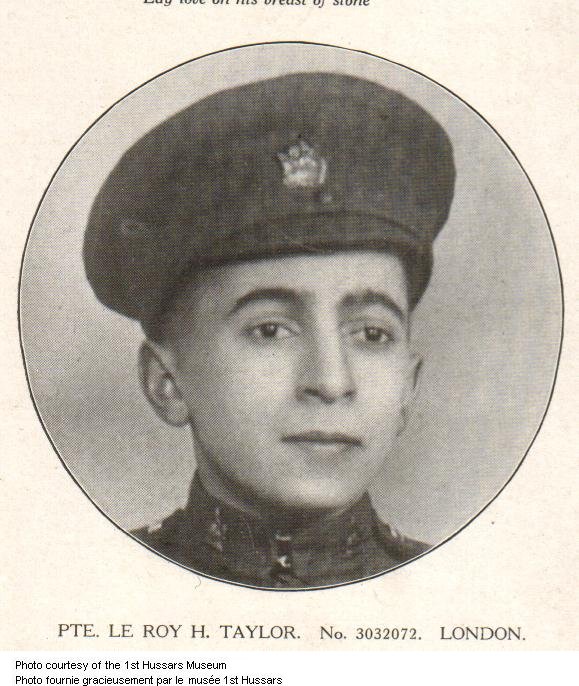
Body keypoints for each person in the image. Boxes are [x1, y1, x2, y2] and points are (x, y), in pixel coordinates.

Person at [83, 71, 455, 588]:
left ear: (408, 388)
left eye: (371, 335)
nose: (331, 382)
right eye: (271, 330)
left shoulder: (461, 587)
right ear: (167, 383)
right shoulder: (98, 589)